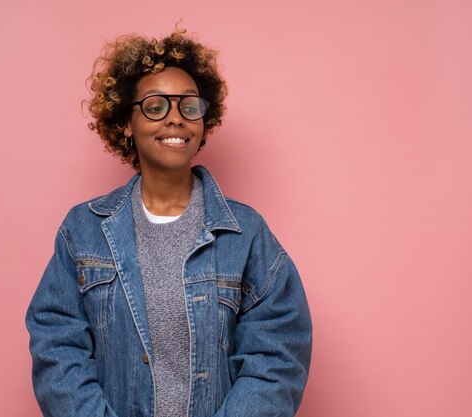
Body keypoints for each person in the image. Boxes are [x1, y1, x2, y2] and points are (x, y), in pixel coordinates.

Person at [26, 27, 312, 417]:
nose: (175, 119)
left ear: (203, 123)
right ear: (126, 122)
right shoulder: (84, 229)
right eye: (156, 106)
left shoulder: (246, 233)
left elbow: (277, 355)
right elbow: (57, 346)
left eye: (189, 106)